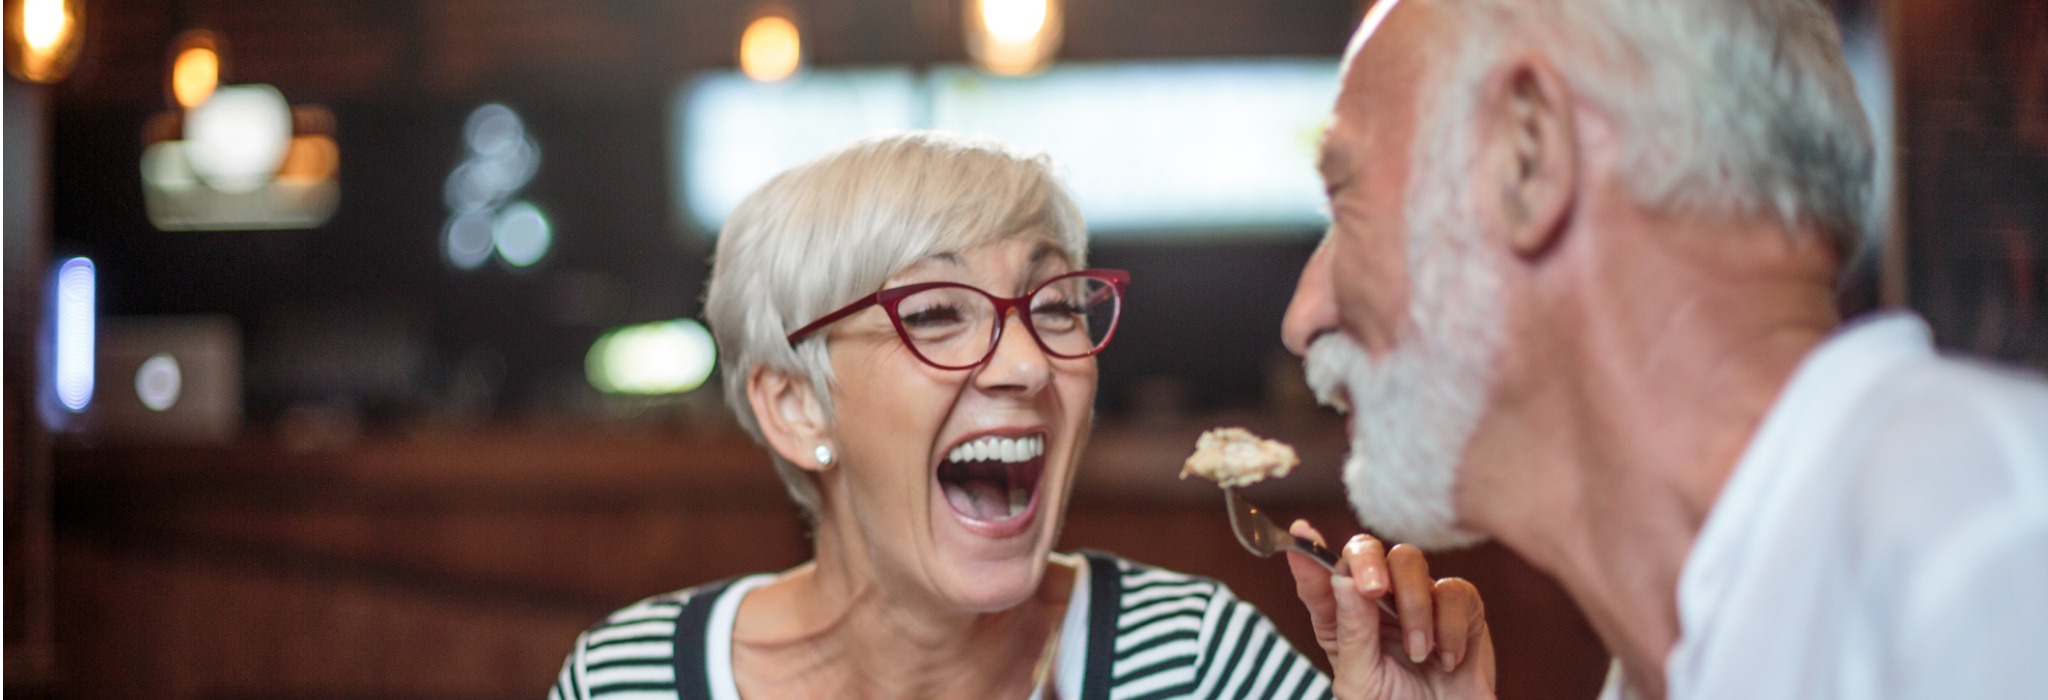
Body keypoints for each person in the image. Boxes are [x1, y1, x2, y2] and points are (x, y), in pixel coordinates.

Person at [1280, 0, 2048, 699]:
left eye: (1346, 197)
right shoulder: (1672, 664)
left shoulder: (1985, 535)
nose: (1302, 317)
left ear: (1529, 154)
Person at [547, 131, 1488, 699]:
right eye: (935, 314)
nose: (1031, 362)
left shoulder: (1191, 664)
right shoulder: (635, 679)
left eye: (1054, 307)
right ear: (794, 404)